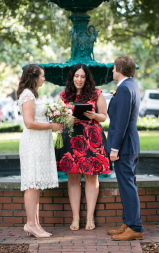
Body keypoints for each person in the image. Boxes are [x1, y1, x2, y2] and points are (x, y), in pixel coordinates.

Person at [56, 63, 111, 231]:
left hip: (92, 140)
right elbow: (56, 118)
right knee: (73, 179)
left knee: (91, 178)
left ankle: (89, 218)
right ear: (72, 78)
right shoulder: (64, 96)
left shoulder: (96, 94)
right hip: (71, 140)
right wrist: (68, 120)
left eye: (82, 76)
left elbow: (103, 117)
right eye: (76, 76)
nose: (79, 79)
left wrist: (94, 115)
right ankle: (75, 218)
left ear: (87, 78)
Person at [17, 64, 63, 238]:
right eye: (42, 76)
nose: (44, 78)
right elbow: (29, 122)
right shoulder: (27, 94)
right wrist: (52, 125)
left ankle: (35, 224)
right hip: (33, 143)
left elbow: (38, 117)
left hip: (40, 142)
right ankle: (31, 223)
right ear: (34, 77)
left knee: (35, 185)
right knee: (31, 184)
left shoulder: (33, 94)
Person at [107, 56, 144, 241]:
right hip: (130, 144)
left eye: (114, 68)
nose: (112, 71)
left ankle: (135, 227)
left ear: (119, 68)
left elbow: (121, 121)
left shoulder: (124, 88)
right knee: (127, 184)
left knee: (127, 185)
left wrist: (115, 148)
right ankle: (129, 223)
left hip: (124, 146)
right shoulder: (131, 86)